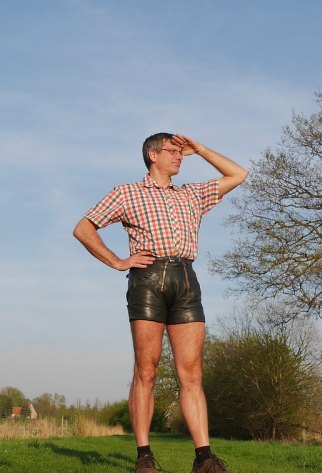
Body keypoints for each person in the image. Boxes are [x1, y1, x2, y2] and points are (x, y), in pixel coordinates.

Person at [73, 133, 248, 473]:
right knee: (147, 370)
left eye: (181, 151)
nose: (179, 156)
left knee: (192, 374)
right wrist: (117, 261)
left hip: (186, 281)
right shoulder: (127, 193)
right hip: (148, 281)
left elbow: (238, 174)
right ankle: (144, 457)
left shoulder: (192, 194)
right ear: (153, 155)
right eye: (172, 151)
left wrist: (200, 149)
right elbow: (84, 228)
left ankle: (204, 459)